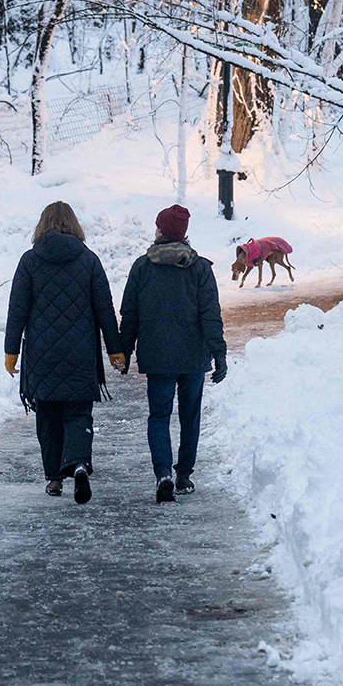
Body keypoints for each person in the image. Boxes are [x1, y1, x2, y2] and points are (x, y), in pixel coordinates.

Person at [5, 201, 124, 504]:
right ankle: (80, 464)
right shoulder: (88, 260)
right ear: (74, 225)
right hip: (80, 350)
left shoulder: (30, 261)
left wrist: (11, 351)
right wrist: (114, 349)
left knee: (47, 415)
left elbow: (17, 310)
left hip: (42, 353)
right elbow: (104, 310)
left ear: (42, 226)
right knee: (77, 411)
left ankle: (55, 478)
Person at [119, 204, 227, 503]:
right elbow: (210, 314)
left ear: (159, 232)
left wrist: (124, 351)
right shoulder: (200, 268)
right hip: (193, 356)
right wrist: (218, 352)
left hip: (157, 356)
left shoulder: (142, 267)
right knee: (190, 416)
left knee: (159, 416)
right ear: (184, 235)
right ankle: (184, 475)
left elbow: (130, 314)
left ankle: (163, 473)